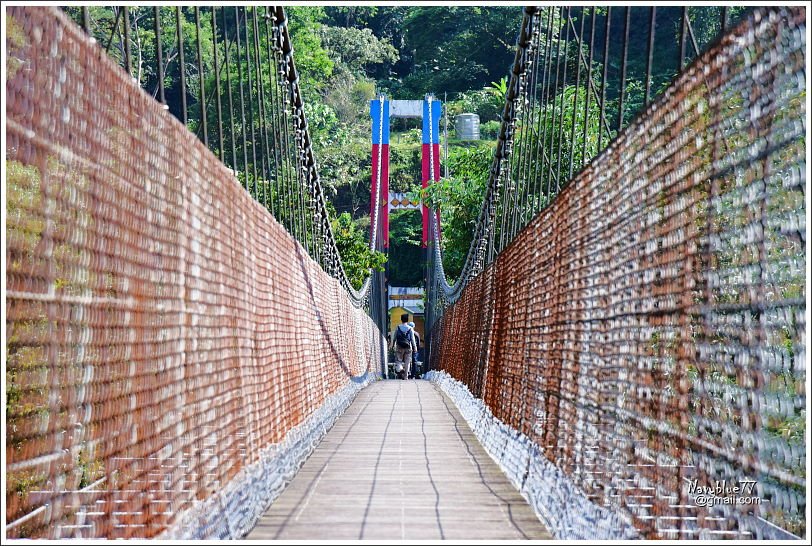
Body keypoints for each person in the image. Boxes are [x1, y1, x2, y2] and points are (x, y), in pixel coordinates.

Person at [390, 313, 416, 380]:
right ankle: (406, 376)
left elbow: (394, 337)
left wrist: (392, 345)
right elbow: (412, 339)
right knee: (407, 362)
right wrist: (414, 347)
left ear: (401, 320)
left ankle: (401, 369)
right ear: (407, 320)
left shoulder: (398, 327)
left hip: (399, 346)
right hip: (408, 347)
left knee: (398, 361)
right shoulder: (410, 329)